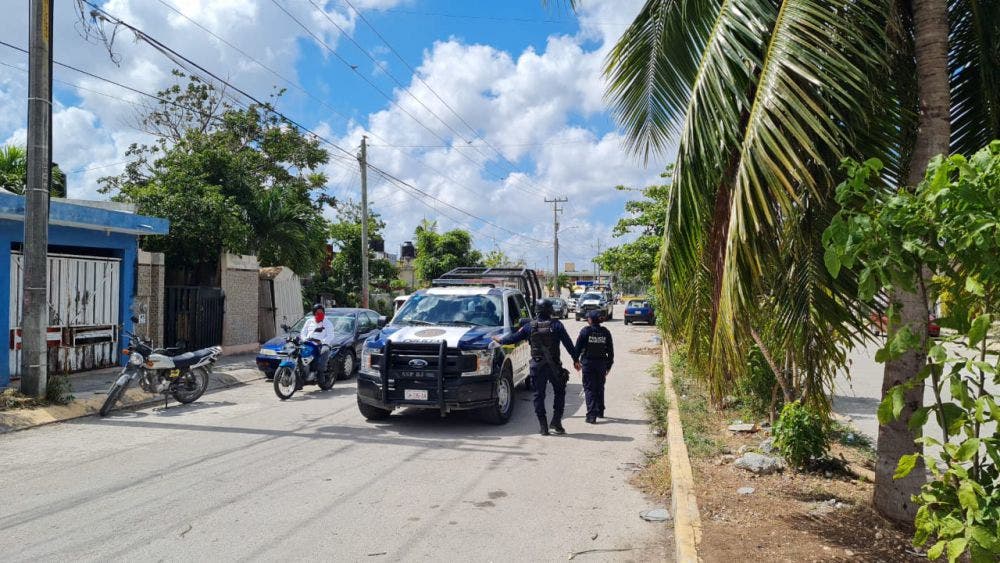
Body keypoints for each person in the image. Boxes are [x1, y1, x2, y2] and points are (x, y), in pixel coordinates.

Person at [494, 299, 580, 436]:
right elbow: (568, 344)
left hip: (537, 367)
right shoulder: (557, 325)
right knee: (560, 392)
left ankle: (543, 426)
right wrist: (576, 360)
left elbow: (513, 339)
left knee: (539, 395)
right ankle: (556, 422)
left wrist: (500, 340)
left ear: (537, 311)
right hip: (554, 367)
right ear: (550, 310)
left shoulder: (529, 326)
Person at [575, 310, 614, 423]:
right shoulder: (605, 332)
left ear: (590, 320)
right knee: (599, 387)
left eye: (588, 318)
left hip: (588, 364)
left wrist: (575, 361)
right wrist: (609, 366)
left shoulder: (585, 331)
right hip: (601, 364)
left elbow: (577, 348)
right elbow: (610, 351)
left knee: (589, 389)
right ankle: (600, 411)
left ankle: (591, 416)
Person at [299, 304, 336, 387]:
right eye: (317, 312)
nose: (320, 314)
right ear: (314, 313)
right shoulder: (309, 321)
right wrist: (304, 339)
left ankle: (320, 376)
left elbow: (330, 335)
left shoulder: (328, 323)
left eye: (321, 312)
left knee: (324, 352)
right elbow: (303, 332)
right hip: (309, 343)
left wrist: (322, 342)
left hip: (322, 344)